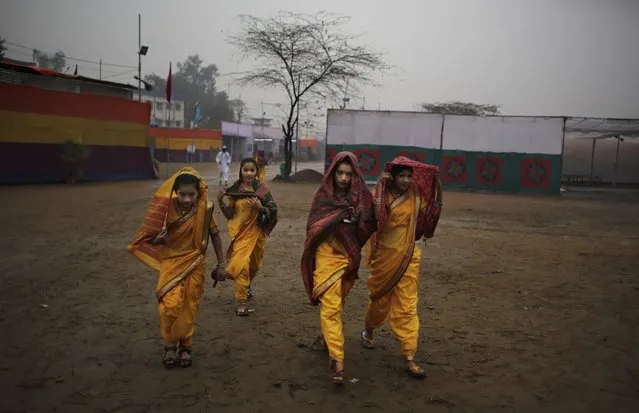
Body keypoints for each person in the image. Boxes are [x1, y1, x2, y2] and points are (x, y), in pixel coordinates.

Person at [127, 167, 227, 369]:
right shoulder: (165, 209)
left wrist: (221, 264)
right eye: (182, 194)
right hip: (171, 263)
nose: (188, 199)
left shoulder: (204, 209)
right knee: (170, 305)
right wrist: (157, 239)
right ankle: (170, 344)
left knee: (189, 306)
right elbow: (149, 237)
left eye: (192, 194)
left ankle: (184, 346)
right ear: (175, 192)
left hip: (195, 263)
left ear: (199, 193)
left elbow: (215, 235)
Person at [360, 156, 443, 379]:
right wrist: (379, 184)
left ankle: (409, 355)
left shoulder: (416, 195)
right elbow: (376, 217)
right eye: (402, 176)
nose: (406, 180)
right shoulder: (382, 195)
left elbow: (427, 216)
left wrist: (437, 188)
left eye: (409, 176)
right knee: (379, 301)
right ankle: (369, 329)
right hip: (385, 257)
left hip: (409, 256)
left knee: (407, 304)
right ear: (393, 177)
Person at [300, 151, 376, 385]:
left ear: (355, 176)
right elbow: (314, 226)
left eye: (348, 174)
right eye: (340, 173)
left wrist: (358, 220)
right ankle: (338, 361)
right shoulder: (323, 197)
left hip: (348, 257)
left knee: (337, 302)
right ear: (332, 174)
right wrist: (338, 218)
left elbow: (370, 225)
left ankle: (326, 338)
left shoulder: (362, 199)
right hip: (325, 254)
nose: (343, 178)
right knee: (331, 305)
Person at [217, 157, 278, 316]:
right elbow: (230, 214)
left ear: (257, 172)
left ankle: (245, 285)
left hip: (257, 234)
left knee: (255, 265)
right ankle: (241, 301)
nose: (249, 173)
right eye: (246, 170)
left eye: (252, 170)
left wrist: (261, 208)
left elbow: (273, 210)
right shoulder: (234, 191)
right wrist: (220, 201)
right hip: (240, 235)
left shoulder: (262, 190)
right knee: (242, 265)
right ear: (241, 171)